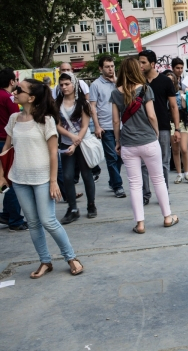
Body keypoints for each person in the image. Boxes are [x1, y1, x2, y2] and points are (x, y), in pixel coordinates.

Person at [0, 78, 84, 278]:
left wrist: (54, 181)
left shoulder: (46, 120)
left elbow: (53, 153)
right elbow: (6, 148)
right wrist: (2, 175)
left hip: (43, 179)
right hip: (19, 179)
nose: (14, 91)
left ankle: (71, 257)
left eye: (19, 89)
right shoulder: (13, 118)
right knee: (33, 222)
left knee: (48, 220)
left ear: (31, 97)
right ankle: (45, 261)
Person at [110, 57, 178, 234]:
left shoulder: (115, 93)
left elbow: (116, 121)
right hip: (148, 140)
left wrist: (118, 141)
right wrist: (155, 133)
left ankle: (140, 224)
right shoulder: (145, 89)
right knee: (158, 179)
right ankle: (167, 217)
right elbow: (152, 116)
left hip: (128, 144)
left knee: (134, 184)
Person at [139, 50, 181, 203]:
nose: (140, 65)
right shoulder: (138, 82)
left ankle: (163, 193)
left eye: (143, 62)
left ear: (152, 64)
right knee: (143, 164)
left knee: (163, 162)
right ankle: (145, 194)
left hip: (163, 126)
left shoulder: (165, 81)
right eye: (139, 62)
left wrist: (176, 129)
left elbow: (174, 106)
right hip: (142, 128)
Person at [55, 73, 96, 224]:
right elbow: (57, 125)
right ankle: (72, 208)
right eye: (62, 85)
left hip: (82, 143)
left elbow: (85, 126)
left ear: (74, 85)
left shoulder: (83, 103)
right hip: (67, 143)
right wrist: (71, 139)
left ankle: (91, 204)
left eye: (67, 84)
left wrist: (75, 142)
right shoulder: (57, 104)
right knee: (67, 176)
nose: (64, 87)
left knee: (86, 175)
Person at [90, 56, 126, 198]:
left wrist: (116, 82)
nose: (110, 69)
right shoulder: (96, 85)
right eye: (107, 67)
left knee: (120, 157)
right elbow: (93, 107)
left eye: (112, 66)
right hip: (106, 126)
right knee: (111, 156)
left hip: (122, 125)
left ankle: (113, 181)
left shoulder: (119, 82)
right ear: (101, 68)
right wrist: (97, 126)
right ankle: (118, 186)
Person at [0, 68, 26, 231]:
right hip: (6, 142)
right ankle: (15, 219)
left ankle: (7, 214)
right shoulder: (9, 98)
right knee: (13, 181)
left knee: (4, 179)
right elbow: (17, 120)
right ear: (11, 82)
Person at [168, 70, 188, 184]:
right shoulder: (164, 95)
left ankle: (187, 172)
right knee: (175, 149)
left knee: (184, 148)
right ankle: (179, 174)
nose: (171, 82)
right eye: (168, 80)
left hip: (183, 122)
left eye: (172, 80)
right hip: (171, 123)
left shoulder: (181, 92)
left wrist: (187, 95)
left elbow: (186, 107)